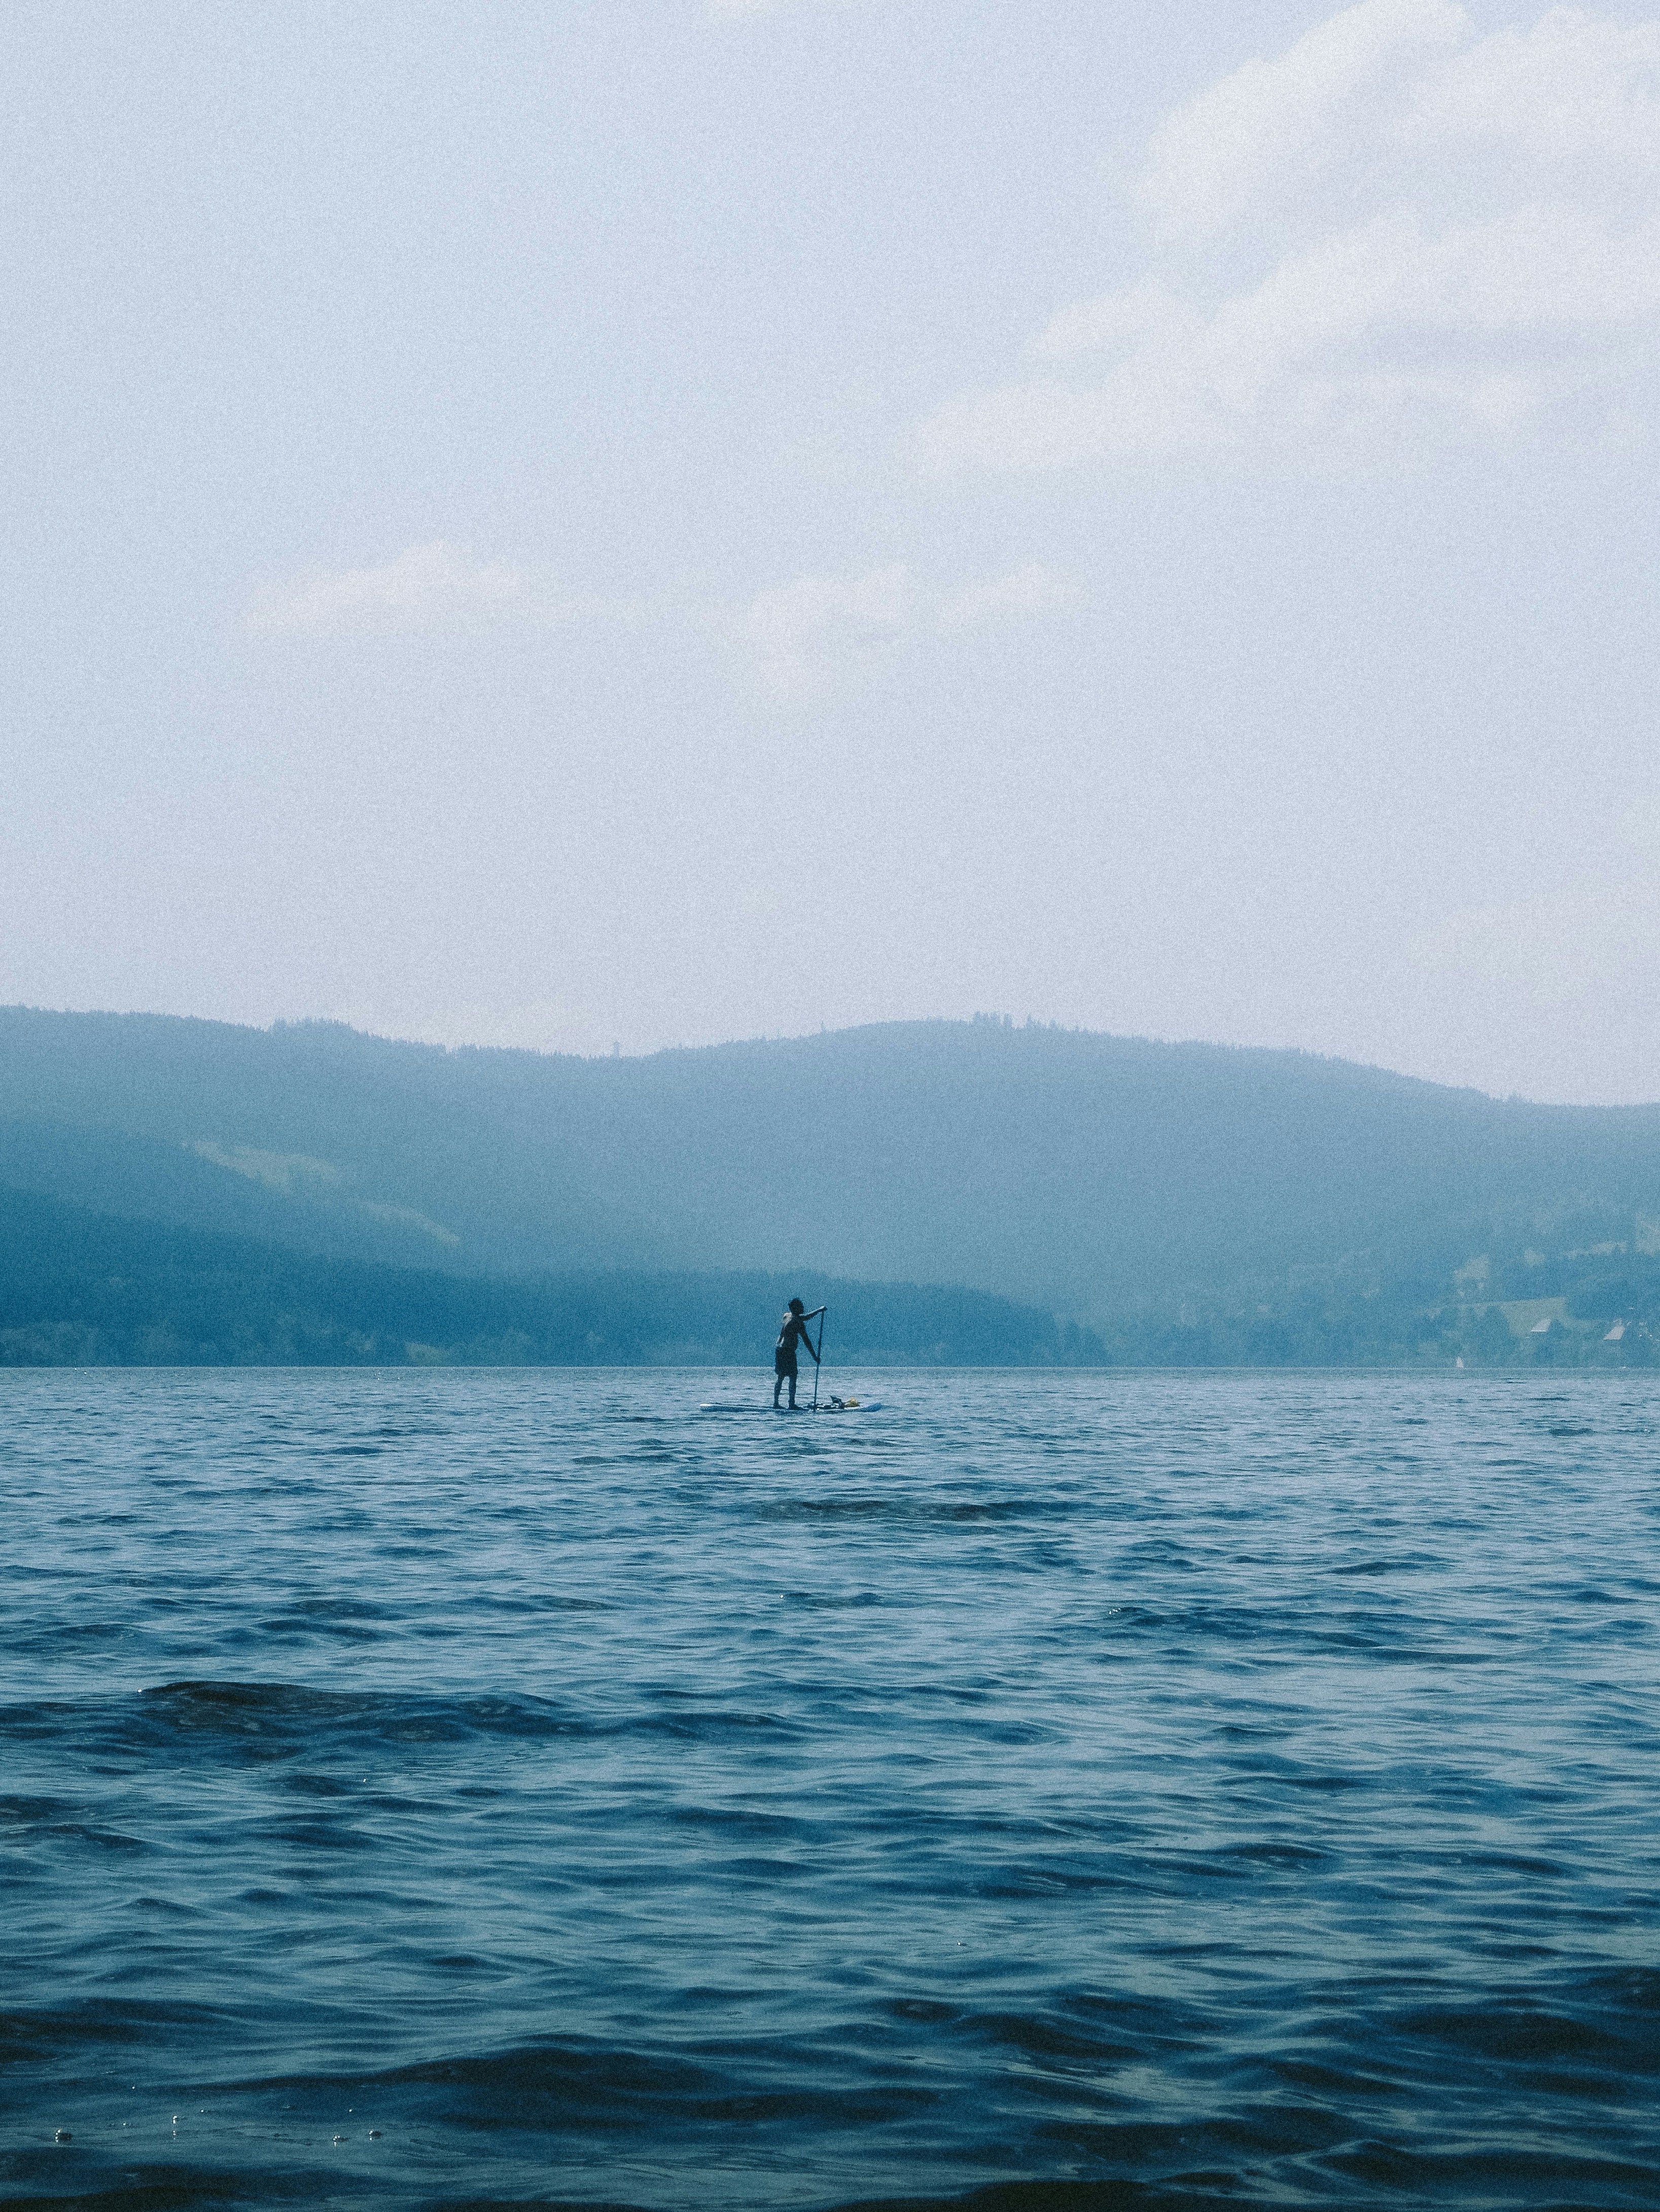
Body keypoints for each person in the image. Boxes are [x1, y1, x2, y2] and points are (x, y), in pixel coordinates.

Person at [773, 1297, 825, 1410]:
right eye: (801, 1307)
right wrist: (815, 1357)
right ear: (796, 1308)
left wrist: (819, 1311)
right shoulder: (798, 1322)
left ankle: (776, 1403)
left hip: (780, 1350)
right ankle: (791, 1404)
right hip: (788, 1352)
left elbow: (805, 1317)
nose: (803, 1308)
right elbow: (807, 1341)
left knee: (781, 1377)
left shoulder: (787, 1316)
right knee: (793, 1377)